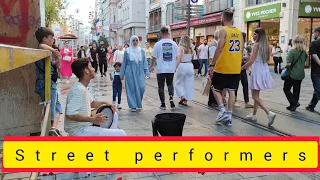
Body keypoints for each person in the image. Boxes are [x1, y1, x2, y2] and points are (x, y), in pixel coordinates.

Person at [65, 58, 127, 136]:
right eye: (91, 67)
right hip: (78, 130)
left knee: (113, 113)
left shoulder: (83, 87)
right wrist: (93, 119)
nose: (94, 69)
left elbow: (92, 103)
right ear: (86, 71)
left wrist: (107, 103)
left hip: (85, 126)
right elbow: (70, 114)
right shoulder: (78, 89)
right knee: (121, 134)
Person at [208, 10, 243, 126]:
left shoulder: (223, 31)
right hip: (235, 67)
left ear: (223, 18)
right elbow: (241, 50)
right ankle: (229, 115)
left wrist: (212, 64)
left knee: (214, 88)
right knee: (231, 91)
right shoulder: (239, 32)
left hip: (223, 66)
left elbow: (219, 48)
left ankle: (222, 110)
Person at [241, 28, 276, 126]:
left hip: (257, 70)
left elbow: (251, 61)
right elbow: (267, 60)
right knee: (257, 95)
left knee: (254, 96)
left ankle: (269, 113)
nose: (253, 35)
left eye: (255, 34)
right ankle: (254, 115)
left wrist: (241, 68)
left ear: (259, 35)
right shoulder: (267, 46)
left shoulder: (256, 45)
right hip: (263, 69)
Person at [35, 27, 62, 136]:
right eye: (51, 38)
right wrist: (53, 51)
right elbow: (41, 45)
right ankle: (51, 129)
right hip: (46, 83)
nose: (53, 40)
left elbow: (56, 66)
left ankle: (53, 129)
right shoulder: (43, 49)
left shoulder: (49, 51)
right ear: (44, 39)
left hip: (51, 82)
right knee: (50, 106)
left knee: (57, 106)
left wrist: (58, 59)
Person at [150, 27, 179, 110]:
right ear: (168, 33)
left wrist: (151, 66)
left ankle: (163, 104)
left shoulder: (158, 44)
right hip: (171, 69)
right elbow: (177, 56)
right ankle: (171, 98)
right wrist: (174, 65)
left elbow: (154, 57)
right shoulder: (173, 44)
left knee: (161, 86)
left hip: (160, 69)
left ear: (161, 34)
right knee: (170, 84)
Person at [120, 36, 149, 112]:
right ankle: (133, 105)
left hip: (140, 71)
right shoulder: (127, 51)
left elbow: (144, 62)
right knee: (131, 89)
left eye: (136, 40)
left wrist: (147, 72)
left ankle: (138, 103)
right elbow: (124, 63)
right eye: (133, 40)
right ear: (131, 41)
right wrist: (122, 74)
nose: (135, 42)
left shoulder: (141, 51)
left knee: (141, 87)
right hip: (130, 71)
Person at [283, 35, 307, 111]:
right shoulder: (304, 52)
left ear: (294, 42)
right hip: (301, 74)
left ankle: (294, 102)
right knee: (296, 90)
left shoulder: (292, 51)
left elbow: (288, 64)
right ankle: (293, 106)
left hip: (292, 74)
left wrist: (284, 66)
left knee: (286, 88)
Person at [234, 32, 254, 108]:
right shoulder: (236, 46)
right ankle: (234, 101)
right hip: (236, 67)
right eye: (243, 38)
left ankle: (247, 101)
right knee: (235, 85)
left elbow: (247, 58)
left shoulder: (245, 48)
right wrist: (244, 58)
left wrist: (246, 59)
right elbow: (235, 57)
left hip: (242, 67)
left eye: (244, 38)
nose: (244, 39)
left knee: (245, 84)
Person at [175, 35, 194, 106]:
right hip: (190, 65)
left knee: (178, 83)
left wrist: (175, 67)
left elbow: (179, 58)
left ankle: (182, 96)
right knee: (188, 84)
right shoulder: (191, 49)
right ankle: (185, 100)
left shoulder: (181, 48)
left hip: (182, 66)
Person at [306, 26, 320, 112]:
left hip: (316, 70)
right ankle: (311, 106)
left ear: (317, 33)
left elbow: (314, 56)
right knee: (317, 88)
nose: (313, 34)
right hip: (317, 71)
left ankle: (311, 106)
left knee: (318, 88)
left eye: (314, 33)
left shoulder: (314, 43)